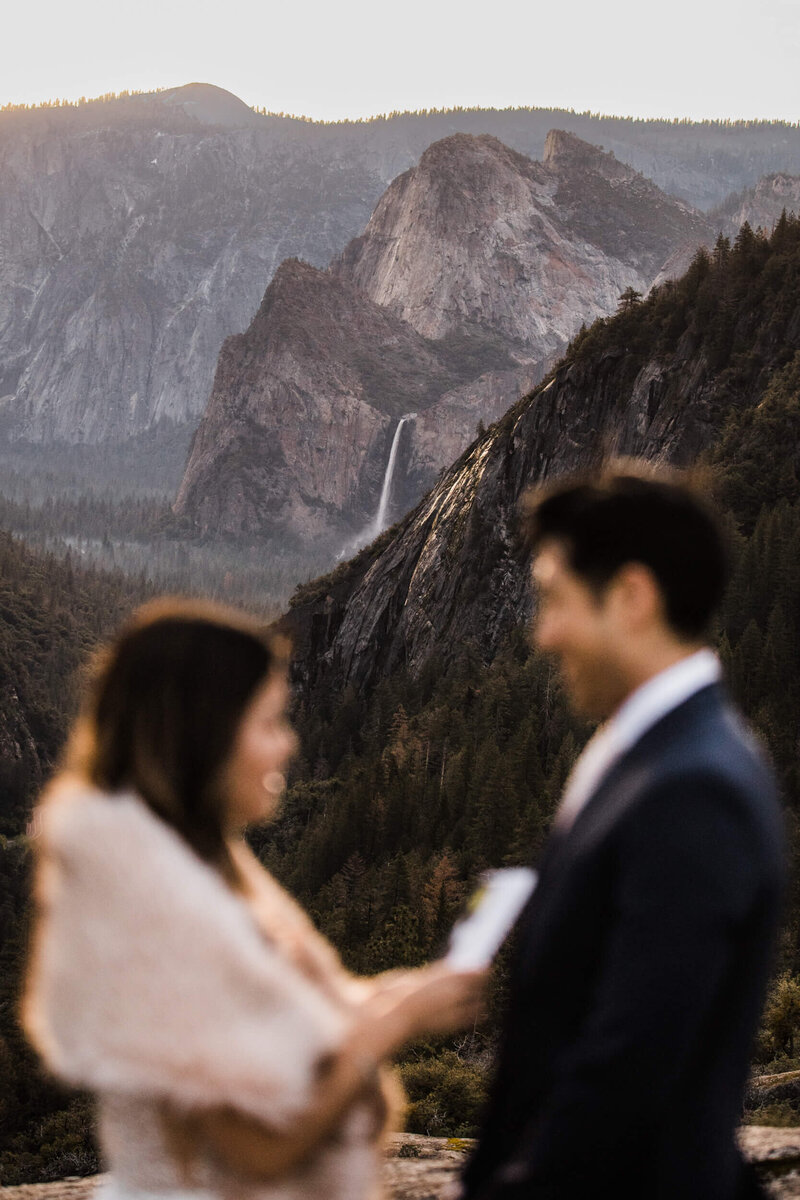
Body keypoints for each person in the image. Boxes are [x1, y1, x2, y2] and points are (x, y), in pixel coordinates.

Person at [22, 598, 485, 1200]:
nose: (287, 745)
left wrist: (380, 996)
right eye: (269, 724)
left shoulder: (198, 867)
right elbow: (255, 1147)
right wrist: (396, 1021)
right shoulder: (153, 909)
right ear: (203, 738)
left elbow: (276, 1033)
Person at [461, 463, 786, 1200]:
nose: (543, 636)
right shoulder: (654, 755)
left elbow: (632, 1065)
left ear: (632, 597)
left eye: (555, 600)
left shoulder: (695, 788)